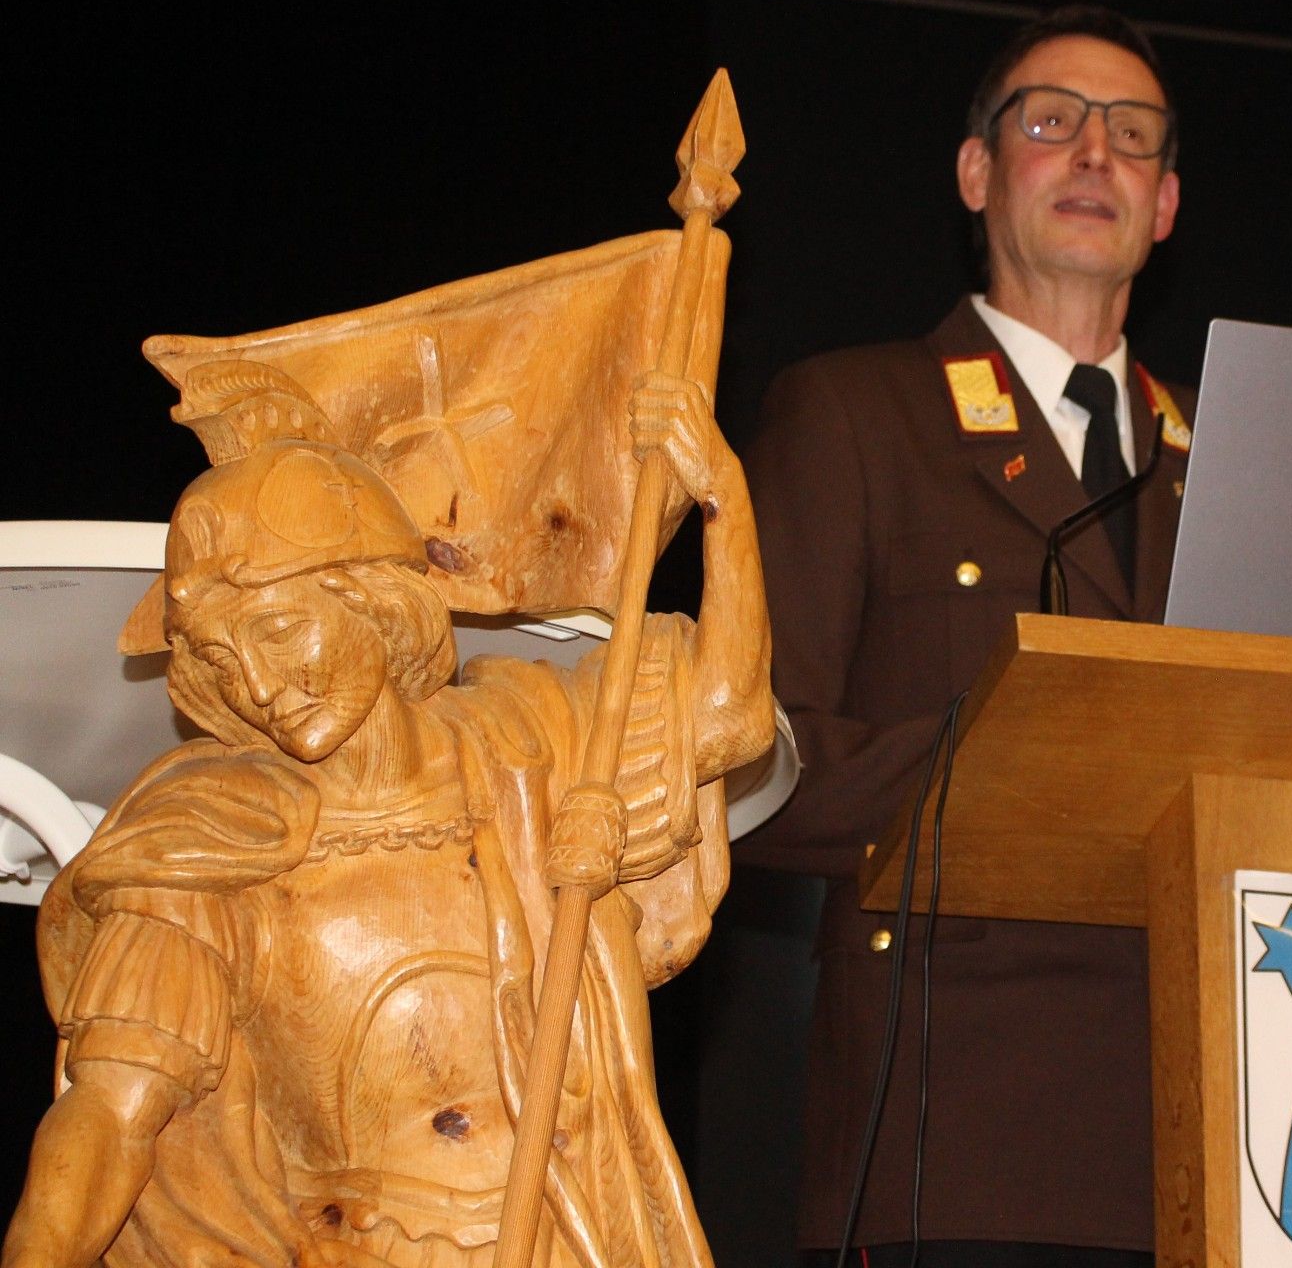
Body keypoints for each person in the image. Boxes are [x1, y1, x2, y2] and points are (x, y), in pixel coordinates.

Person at [2, 367, 773, 1268]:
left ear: (375, 602)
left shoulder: (535, 744)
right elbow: (108, 1113)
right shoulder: (207, 835)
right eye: (221, 653)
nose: (256, 684)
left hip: (573, 1231)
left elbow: (724, 717)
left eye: (284, 632)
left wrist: (724, 496)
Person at [742, 5, 1193, 1268]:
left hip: (1225, 1125)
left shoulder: (1243, 456)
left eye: (1134, 137)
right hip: (966, 1137)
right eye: (1053, 124)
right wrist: (1025, 760)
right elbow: (751, 768)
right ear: (977, 174)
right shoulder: (855, 412)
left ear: (1166, 205)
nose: (1095, 155)